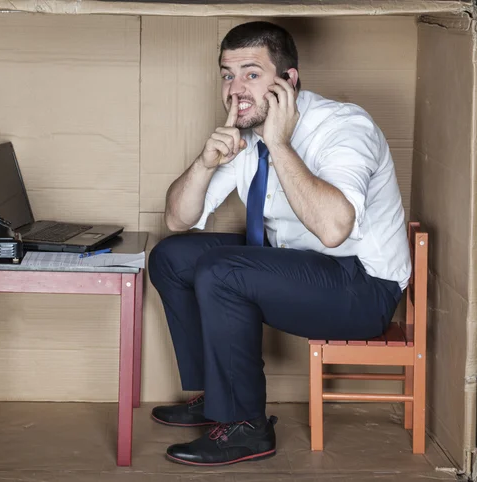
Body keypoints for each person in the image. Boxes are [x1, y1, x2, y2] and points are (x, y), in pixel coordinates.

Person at [148, 21, 411, 466]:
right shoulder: (246, 134)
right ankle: (216, 393)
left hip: (362, 287)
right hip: (295, 266)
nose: (236, 91)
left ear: (288, 80)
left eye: (251, 74)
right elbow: (177, 219)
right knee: (172, 258)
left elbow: (333, 229)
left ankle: (245, 428)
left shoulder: (345, 126)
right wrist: (205, 162)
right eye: (227, 75)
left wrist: (280, 144)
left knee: (222, 269)